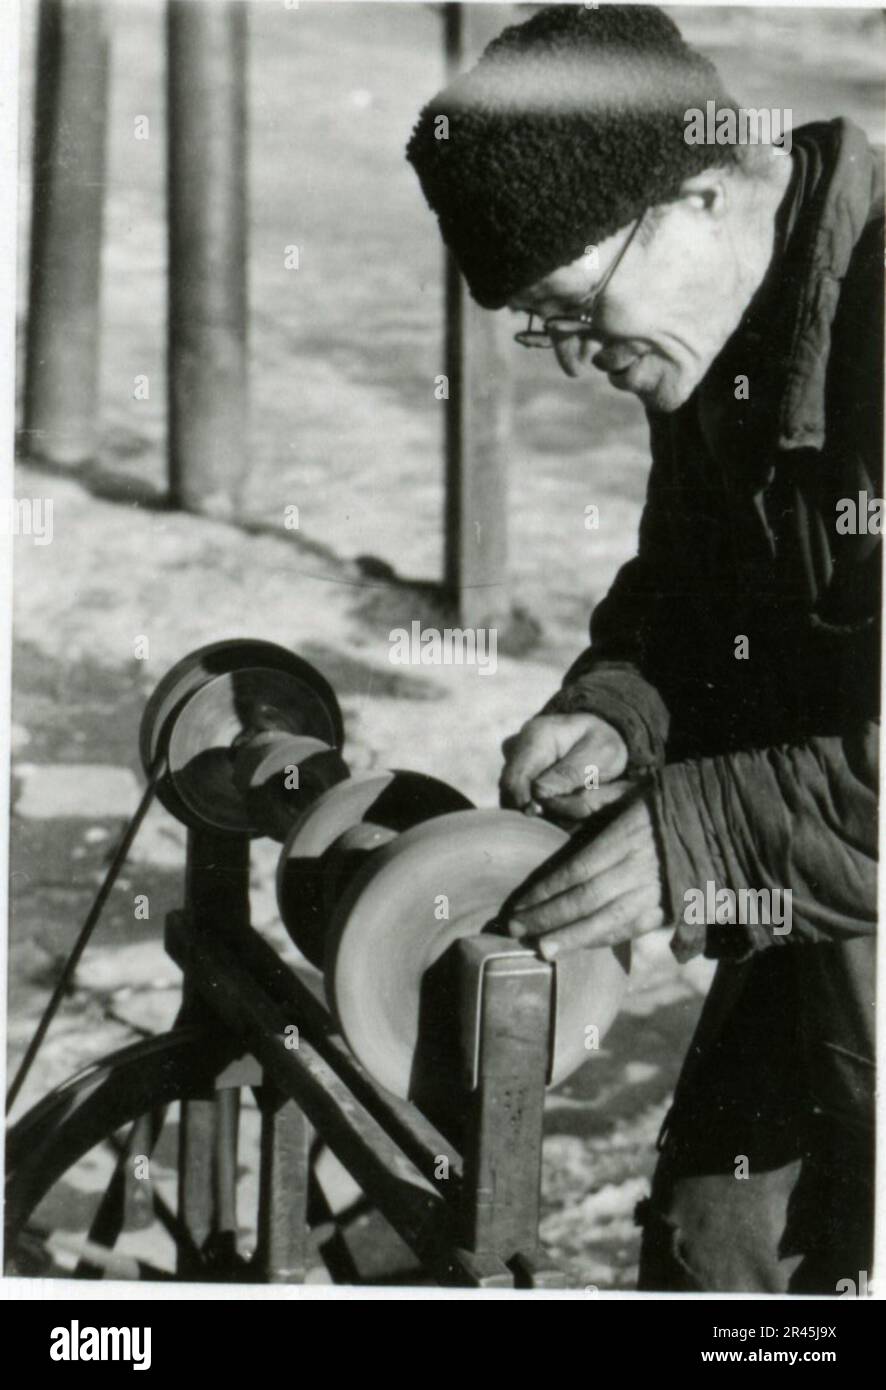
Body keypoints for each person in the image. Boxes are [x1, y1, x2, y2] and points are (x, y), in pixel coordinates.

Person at [406, 4, 881, 1293]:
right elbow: (694, 590)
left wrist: (697, 839)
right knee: (719, 1249)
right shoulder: (728, 322)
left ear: (705, 195)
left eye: (579, 313)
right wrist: (621, 707)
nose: (579, 365)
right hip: (826, 870)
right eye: (542, 329)